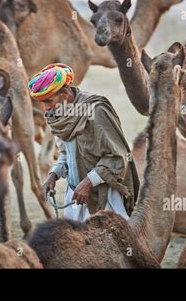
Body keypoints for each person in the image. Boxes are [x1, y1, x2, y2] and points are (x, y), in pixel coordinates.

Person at [28, 63, 139, 221]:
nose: (46, 108)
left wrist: (88, 182)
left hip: (105, 200)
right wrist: (53, 174)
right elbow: (66, 153)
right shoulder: (60, 116)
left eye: (48, 101)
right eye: (43, 103)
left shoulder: (96, 111)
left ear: (65, 94)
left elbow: (117, 157)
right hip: (75, 198)